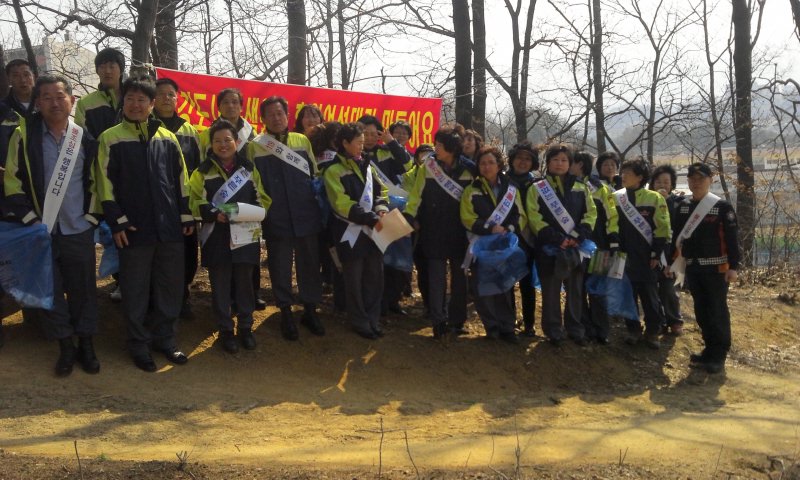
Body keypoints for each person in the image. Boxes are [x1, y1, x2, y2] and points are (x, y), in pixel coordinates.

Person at [95, 75, 195, 372]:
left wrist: (185, 214)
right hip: (133, 229)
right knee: (135, 289)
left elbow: (182, 180)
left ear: (152, 104)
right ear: (123, 102)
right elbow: (103, 185)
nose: (135, 105)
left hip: (169, 228)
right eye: (130, 99)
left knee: (170, 286)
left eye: (142, 99)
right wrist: (117, 222)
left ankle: (166, 339)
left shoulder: (167, 138)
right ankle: (138, 343)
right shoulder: (110, 138)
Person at [4, 74, 100, 376]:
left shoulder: (84, 137)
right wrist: (30, 220)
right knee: (51, 290)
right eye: (46, 97)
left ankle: (86, 344)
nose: (54, 102)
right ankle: (65, 346)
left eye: (60, 96)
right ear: (37, 103)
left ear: (72, 100)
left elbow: (98, 182)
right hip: (40, 232)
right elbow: (12, 181)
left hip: (77, 229)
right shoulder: (24, 135)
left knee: (84, 290)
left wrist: (91, 218)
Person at [189, 120, 270, 353]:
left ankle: (245, 327)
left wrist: (248, 212)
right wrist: (214, 213)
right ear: (211, 144)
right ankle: (225, 330)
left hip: (245, 234)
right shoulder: (201, 172)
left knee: (245, 284)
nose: (223, 145)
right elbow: (194, 201)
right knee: (220, 286)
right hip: (216, 236)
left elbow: (263, 199)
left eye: (227, 140)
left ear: (236, 142)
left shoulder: (249, 170)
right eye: (217, 141)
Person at [248, 96, 324, 340]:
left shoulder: (301, 140)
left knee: (309, 264)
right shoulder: (255, 146)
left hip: (305, 213)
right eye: (271, 114)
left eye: (280, 113)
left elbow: (314, 174)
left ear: (287, 115)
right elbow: (253, 182)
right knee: (279, 266)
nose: (276, 118)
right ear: (262, 118)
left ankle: (310, 309)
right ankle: (285, 311)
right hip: (276, 216)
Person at [404, 124, 476, 339]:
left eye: (439, 145)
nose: (435, 148)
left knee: (459, 279)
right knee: (436, 277)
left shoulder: (470, 170)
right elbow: (416, 195)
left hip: (460, 231)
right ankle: (438, 320)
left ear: (452, 148)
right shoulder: (428, 166)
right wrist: (410, 216)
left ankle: (457, 320)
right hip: (433, 229)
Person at [668, 162, 739, 374]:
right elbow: (676, 238)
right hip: (693, 267)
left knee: (717, 310)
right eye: (692, 178)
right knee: (701, 311)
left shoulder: (722, 207)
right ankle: (709, 349)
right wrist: (671, 262)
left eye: (701, 178)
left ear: (710, 180)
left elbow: (732, 239)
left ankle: (719, 353)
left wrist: (734, 266)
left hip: (717, 268)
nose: (696, 182)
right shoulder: (683, 206)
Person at [525, 144, 596, 347]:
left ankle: (575, 329)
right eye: (555, 159)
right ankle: (553, 330)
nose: (559, 163)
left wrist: (577, 236)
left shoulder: (582, 187)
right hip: (549, 247)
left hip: (576, 247)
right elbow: (533, 216)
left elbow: (591, 214)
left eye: (564, 160)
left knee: (575, 290)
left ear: (570, 163)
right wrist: (556, 238)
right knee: (550, 291)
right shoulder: (537, 188)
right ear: (548, 163)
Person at [323, 122, 389, 338]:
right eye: (358, 142)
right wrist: (369, 217)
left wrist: (381, 209)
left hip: (372, 229)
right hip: (349, 231)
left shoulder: (368, 165)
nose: (362, 146)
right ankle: (359, 321)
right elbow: (340, 202)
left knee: (374, 276)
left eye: (363, 142)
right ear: (345, 143)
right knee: (354, 278)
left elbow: (381, 192)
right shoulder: (333, 170)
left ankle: (373, 318)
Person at [199, 87, 264, 309]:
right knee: (222, 258)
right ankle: (225, 302)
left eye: (235, 102)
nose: (231, 106)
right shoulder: (208, 134)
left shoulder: (251, 133)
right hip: (219, 197)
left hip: (246, 198)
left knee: (247, 256)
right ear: (218, 107)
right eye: (226, 102)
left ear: (241, 106)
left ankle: (252, 294)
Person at [460, 146, 526, 343]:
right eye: (482, 163)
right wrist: (489, 228)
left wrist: (509, 228)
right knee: (483, 286)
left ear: (499, 165)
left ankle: (508, 327)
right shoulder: (472, 190)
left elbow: (520, 215)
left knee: (504, 286)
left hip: (504, 245)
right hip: (481, 245)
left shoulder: (511, 188)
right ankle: (492, 327)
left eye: (491, 162)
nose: (487, 167)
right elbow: (467, 217)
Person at [75, 47, 125, 302]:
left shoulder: (134, 96)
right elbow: (82, 141)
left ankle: (135, 279)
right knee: (112, 228)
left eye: (112, 65)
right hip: (102, 175)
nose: (107, 70)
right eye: (102, 66)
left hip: (132, 174)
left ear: (121, 69)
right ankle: (120, 280)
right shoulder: (86, 104)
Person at [154, 77, 203, 319]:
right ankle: (158, 299)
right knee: (158, 254)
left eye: (170, 94)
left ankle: (182, 295)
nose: (166, 98)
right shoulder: (146, 127)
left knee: (187, 253)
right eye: (161, 93)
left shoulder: (188, 130)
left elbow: (199, 168)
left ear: (177, 99)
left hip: (185, 204)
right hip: (155, 204)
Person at [357, 115, 411, 316]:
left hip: (388, 211)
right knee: (371, 261)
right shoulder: (354, 154)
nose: (370, 138)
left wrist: (391, 142)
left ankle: (391, 301)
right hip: (364, 214)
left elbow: (408, 165)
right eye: (365, 133)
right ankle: (371, 303)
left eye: (374, 134)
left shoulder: (386, 152)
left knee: (393, 259)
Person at [615, 158, 669, 349]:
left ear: (639, 177)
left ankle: (653, 331)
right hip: (624, 255)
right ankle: (633, 329)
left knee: (649, 296)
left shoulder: (654, 198)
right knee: (627, 295)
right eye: (622, 173)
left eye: (628, 174)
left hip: (647, 256)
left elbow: (662, 228)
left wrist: (656, 253)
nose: (623, 176)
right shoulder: (616, 197)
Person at [568, 151, 620, 345]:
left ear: (580, 165)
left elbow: (612, 216)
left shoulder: (601, 188)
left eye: (570, 162)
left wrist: (613, 240)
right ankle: (583, 328)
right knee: (578, 289)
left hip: (601, 247)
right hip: (575, 246)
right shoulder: (566, 187)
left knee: (598, 290)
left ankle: (601, 330)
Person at [505, 140, 540, 337]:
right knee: (508, 281)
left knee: (527, 283)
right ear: (512, 159)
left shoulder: (538, 184)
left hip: (530, 238)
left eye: (528, 159)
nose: (523, 162)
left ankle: (529, 323)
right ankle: (509, 319)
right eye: (519, 157)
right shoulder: (502, 180)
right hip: (507, 237)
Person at [649, 164, 683, 336]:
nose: (662, 185)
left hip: (671, 253)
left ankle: (675, 320)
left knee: (669, 288)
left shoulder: (678, 203)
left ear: (672, 184)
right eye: (658, 182)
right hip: (652, 251)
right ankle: (660, 321)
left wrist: (666, 201)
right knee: (652, 290)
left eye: (666, 182)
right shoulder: (646, 201)